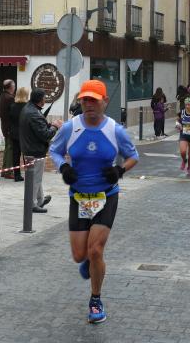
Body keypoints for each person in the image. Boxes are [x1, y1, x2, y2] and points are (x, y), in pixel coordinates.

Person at [49, 80, 139, 324]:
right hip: (79, 197)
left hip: (106, 195)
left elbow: (133, 156)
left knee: (96, 249)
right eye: (84, 100)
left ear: (104, 102)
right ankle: (88, 261)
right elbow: (54, 150)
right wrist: (64, 166)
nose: (88, 104)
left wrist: (119, 171)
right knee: (80, 256)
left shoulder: (115, 130)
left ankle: (96, 300)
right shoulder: (70, 128)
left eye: (93, 100)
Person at [19, 88, 63, 213]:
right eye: (44, 98)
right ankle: (31, 204)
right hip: (35, 151)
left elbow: (37, 129)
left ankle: (40, 199)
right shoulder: (33, 113)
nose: (45, 100)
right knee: (35, 178)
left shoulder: (29, 109)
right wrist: (55, 126)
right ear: (40, 100)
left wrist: (49, 125)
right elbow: (45, 135)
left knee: (35, 177)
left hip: (29, 148)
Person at [9, 87, 30, 182]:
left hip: (14, 134)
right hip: (25, 134)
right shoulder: (27, 107)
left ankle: (17, 175)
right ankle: (29, 173)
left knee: (15, 155)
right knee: (27, 154)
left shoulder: (12, 106)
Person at [0, 79, 16, 179]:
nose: (14, 88)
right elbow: (13, 114)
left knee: (7, 149)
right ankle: (8, 172)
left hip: (5, 126)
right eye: (13, 86)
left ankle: (4, 170)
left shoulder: (2, 96)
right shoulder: (10, 98)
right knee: (10, 149)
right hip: (10, 127)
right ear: (11, 87)